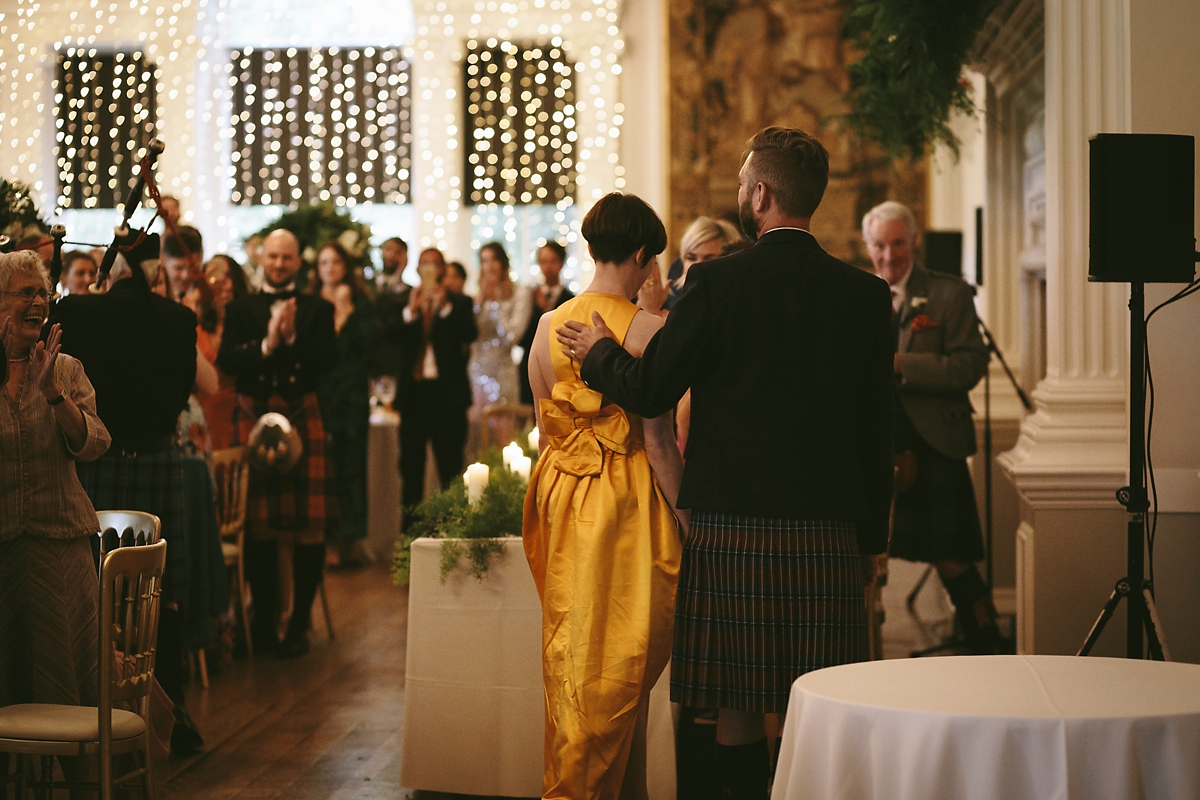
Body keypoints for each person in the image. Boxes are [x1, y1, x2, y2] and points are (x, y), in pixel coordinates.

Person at [557, 127, 894, 799]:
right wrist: (872, 544)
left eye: (744, 183)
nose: (741, 192)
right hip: (826, 531)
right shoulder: (864, 295)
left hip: (730, 526)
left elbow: (652, 390)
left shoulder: (715, 282)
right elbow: (877, 430)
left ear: (762, 195)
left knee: (736, 706)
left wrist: (598, 351)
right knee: (819, 701)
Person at [524, 193, 684, 799]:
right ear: (641, 254)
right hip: (627, 501)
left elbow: (547, 432)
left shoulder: (545, 327)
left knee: (573, 654)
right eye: (651, 262)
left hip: (563, 495)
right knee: (623, 663)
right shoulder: (648, 330)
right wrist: (690, 518)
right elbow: (661, 443)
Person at [48, 231, 204, 752]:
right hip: (160, 458)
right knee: (162, 594)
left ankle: (99, 710)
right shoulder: (180, 320)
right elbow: (185, 391)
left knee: (100, 589)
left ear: (110, 271)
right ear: (154, 269)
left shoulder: (79, 312)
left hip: (99, 463)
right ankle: (173, 714)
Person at [862, 200, 999, 654]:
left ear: (914, 241)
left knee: (952, 554)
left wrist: (903, 363)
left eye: (898, 243)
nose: (888, 255)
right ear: (867, 246)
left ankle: (987, 643)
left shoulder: (948, 294)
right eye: (880, 245)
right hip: (872, 446)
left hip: (934, 442)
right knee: (864, 556)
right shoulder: (855, 295)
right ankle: (864, 653)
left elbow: (969, 365)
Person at [218, 229, 338, 658]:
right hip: (254, 417)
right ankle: (265, 623)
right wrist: (268, 343)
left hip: (303, 413)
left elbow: (329, 361)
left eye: (287, 257)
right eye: (273, 257)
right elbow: (228, 361)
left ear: (298, 261)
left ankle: (300, 624)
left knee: (309, 525)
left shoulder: (318, 309)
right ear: (261, 258)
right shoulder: (241, 308)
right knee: (260, 524)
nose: (279, 264)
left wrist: (292, 340)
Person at [0, 251, 110, 715]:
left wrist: (54, 396)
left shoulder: (65, 369)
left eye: (42, 294)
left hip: (61, 550)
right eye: (25, 293)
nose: (38, 303)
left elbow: (95, 443)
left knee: (65, 690)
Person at [389, 247, 477, 518]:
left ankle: (452, 533)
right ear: (417, 269)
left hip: (447, 397)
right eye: (423, 264)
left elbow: (469, 333)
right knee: (411, 471)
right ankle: (410, 537)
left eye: (434, 264)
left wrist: (445, 307)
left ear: (442, 270)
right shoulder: (406, 300)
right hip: (414, 396)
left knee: (450, 470)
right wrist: (410, 312)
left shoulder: (459, 302)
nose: (428, 269)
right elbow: (391, 338)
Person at [312, 241, 377, 565]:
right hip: (320, 394)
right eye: (323, 263)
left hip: (351, 396)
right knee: (325, 468)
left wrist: (349, 312)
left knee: (352, 466)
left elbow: (370, 348)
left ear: (345, 267)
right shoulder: (310, 303)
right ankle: (326, 543)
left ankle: (353, 539)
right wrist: (338, 318)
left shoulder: (361, 303)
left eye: (335, 262)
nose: (329, 268)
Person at [469, 241, 531, 448]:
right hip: (477, 373)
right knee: (477, 441)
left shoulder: (519, 293)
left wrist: (496, 304)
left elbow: (512, 337)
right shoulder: (477, 297)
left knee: (506, 442)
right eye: (484, 260)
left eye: (493, 259)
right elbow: (470, 335)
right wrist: (480, 303)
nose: (489, 265)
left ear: (503, 263)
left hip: (503, 375)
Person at [196, 254, 251, 451]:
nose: (220, 284)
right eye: (213, 277)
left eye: (226, 276)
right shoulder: (197, 325)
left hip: (243, 415)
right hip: (205, 417)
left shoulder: (250, 323)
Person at [517, 241, 574, 405]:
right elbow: (521, 338)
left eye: (553, 261)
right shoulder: (529, 296)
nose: (547, 266)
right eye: (543, 261)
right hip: (530, 363)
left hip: (558, 367)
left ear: (561, 263)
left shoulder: (570, 299)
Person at [369, 238, 411, 386]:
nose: (391, 254)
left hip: (395, 359)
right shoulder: (368, 285)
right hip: (369, 358)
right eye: (387, 249)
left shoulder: (408, 292)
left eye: (397, 252)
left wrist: (398, 275)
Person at [162, 225, 205, 307]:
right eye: (179, 268)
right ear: (163, 259)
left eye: (192, 267)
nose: (186, 276)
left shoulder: (205, 295)